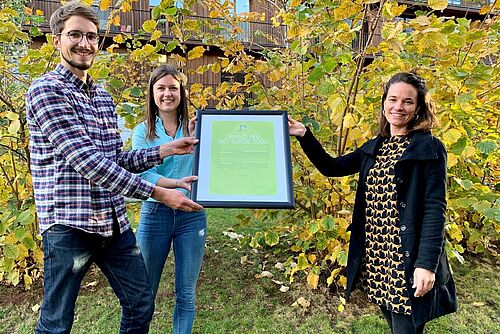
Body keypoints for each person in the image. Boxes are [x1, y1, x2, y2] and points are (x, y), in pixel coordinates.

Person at [25, 2, 202, 333]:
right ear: (56, 40)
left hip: (112, 221)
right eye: (74, 34)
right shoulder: (46, 90)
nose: (84, 43)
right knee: (56, 323)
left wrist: (164, 149)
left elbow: (113, 158)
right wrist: (158, 193)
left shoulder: (103, 98)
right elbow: (87, 162)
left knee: (140, 304)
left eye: (91, 36)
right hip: (69, 224)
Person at [288, 72, 457, 333]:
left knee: (406, 328)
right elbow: (331, 167)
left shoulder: (429, 148)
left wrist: (426, 264)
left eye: (408, 101)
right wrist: (303, 134)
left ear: (419, 107)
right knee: (395, 325)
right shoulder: (375, 147)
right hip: (377, 258)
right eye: (393, 99)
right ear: (384, 103)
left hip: (406, 259)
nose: (398, 107)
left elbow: (435, 209)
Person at [131, 65, 207, 334]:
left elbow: (214, 163)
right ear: (152, 93)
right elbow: (144, 174)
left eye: (173, 88)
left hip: (192, 215)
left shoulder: (199, 127)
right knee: (145, 291)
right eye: (161, 88)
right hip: (155, 215)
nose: (167, 93)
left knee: (186, 293)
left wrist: (205, 136)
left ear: (181, 93)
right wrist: (174, 185)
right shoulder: (143, 132)